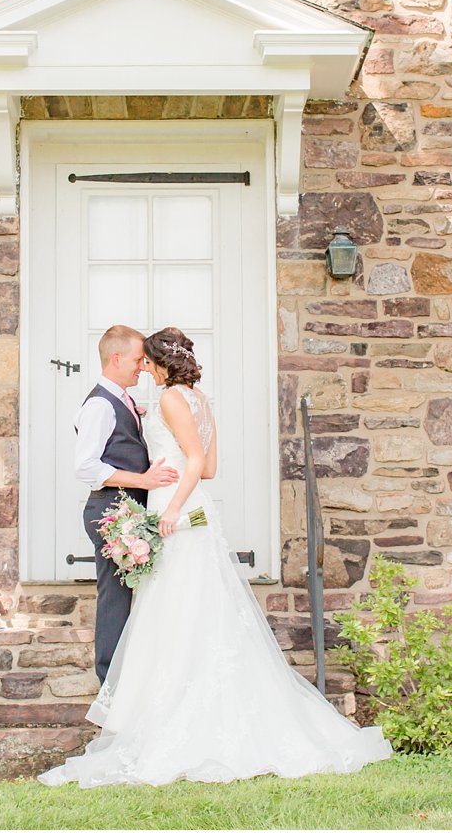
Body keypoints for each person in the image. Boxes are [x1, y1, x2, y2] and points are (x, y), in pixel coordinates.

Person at [41, 327, 392, 787]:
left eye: (147, 361)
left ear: (159, 363)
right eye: (137, 360)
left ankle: (154, 715)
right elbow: (207, 466)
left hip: (175, 509)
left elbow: (190, 462)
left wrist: (167, 506)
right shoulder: (190, 400)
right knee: (183, 608)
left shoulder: (168, 400)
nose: (141, 367)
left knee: (171, 609)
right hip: (178, 506)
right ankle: (143, 705)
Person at [73, 324, 178, 683]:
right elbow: (87, 467)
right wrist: (143, 480)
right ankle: (109, 688)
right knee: (116, 599)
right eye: (137, 359)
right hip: (110, 510)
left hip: (128, 509)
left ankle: (133, 681)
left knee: (137, 597)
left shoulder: (122, 401)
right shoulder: (100, 405)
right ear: (116, 358)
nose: (142, 366)